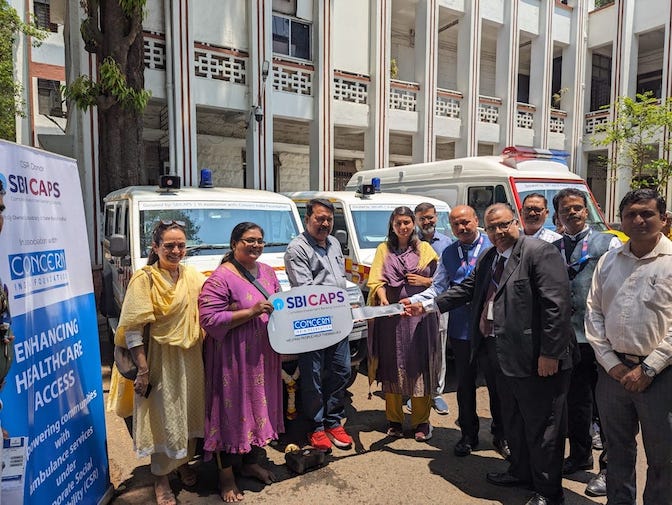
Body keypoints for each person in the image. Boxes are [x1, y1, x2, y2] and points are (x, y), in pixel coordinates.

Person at [406, 203, 575, 505]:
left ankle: (549, 493)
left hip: (538, 359)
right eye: (493, 227)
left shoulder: (539, 253)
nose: (499, 232)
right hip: (500, 354)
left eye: (504, 225)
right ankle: (521, 472)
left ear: (516, 222)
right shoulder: (490, 257)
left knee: (543, 427)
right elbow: (466, 289)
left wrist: (550, 353)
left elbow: (556, 307)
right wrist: (426, 305)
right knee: (514, 420)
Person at [585, 188, 672, 505]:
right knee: (618, 451)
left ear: (663, 219)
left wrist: (649, 368)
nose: (638, 220)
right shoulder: (609, 260)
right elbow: (593, 313)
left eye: (647, 213)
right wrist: (612, 363)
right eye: (630, 214)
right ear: (619, 221)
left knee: (663, 458)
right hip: (613, 375)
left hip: (660, 377)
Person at [406, 205, 508, 458]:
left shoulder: (495, 247)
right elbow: (439, 288)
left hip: (493, 328)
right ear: (450, 227)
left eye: (466, 222)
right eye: (456, 224)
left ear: (476, 221)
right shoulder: (449, 253)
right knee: (464, 385)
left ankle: (501, 435)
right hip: (462, 329)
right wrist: (418, 302)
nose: (462, 228)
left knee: (497, 385)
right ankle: (468, 435)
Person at [115, 220, 206, 505]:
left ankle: (181, 463)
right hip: (157, 359)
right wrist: (143, 370)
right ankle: (161, 477)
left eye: (181, 245)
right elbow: (132, 329)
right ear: (155, 247)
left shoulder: (192, 276)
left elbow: (213, 302)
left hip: (190, 356)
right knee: (162, 416)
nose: (176, 250)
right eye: (169, 246)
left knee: (188, 412)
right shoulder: (145, 279)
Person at [199, 222, 284, 502]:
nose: (256, 245)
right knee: (230, 413)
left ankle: (250, 463)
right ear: (235, 242)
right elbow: (209, 320)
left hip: (262, 357)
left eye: (260, 240)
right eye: (249, 240)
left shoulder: (269, 272)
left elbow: (280, 304)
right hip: (232, 360)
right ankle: (225, 478)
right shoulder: (220, 278)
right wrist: (250, 312)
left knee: (257, 408)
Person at [552, 188, 621, 497]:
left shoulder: (609, 243)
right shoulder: (554, 248)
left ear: (587, 210)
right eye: (566, 210)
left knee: (606, 408)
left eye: (578, 208)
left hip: (601, 339)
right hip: (569, 339)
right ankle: (580, 455)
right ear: (559, 215)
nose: (573, 213)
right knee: (576, 403)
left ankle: (609, 470)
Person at [284, 198, 353, 452]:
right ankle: (316, 427)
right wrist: (336, 298)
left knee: (341, 370)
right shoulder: (297, 249)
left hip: (339, 321)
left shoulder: (334, 243)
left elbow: (340, 280)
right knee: (312, 376)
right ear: (307, 219)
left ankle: (334, 421)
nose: (325, 223)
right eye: (319, 218)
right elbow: (307, 291)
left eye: (329, 219)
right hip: (312, 322)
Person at [368, 206, 440, 441]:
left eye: (407, 222)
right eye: (398, 223)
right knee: (392, 365)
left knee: (418, 366)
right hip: (391, 319)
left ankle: (421, 421)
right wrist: (383, 299)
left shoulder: (426, 249)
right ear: (392, 225)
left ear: (414, 224)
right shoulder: (383, 249)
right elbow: (375, 280)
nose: (403, 227)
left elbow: (441, 281)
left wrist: (425, 279)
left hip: (419, 317)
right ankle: (395, 420)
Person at [413, 202, 452, 415]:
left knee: (439, 349)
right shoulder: (410, 242)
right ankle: (416, 392)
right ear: (416, 220)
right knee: (415, 348)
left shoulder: (447, 243)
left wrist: (425, 281)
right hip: (416, 305)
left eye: (430, 217)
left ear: (436, 217)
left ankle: (436, 393)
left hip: (439, 304)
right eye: (422, 218)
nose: (427, 222)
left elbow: (448, 279)